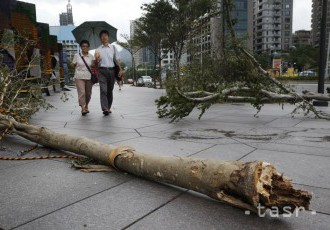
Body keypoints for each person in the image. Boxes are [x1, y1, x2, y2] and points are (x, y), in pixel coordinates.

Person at [95, 30, 122, 116]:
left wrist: (120, 70)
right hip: (102, 70)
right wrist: (97, 60)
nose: (104, 37)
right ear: (100, 38)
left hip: (112, 71)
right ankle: (104, 108)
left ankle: (108, 107)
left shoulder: (113, 48)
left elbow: (117, 60)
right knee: (103, 90)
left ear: (108, 37)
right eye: (102, 36)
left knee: (110, 90)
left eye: (105, 35)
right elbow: (96, 63)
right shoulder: (98, 49)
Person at [72, 40, 95, 115]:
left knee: (88, 93)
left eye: (86, 46)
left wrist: (97, 61)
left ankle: (87, 106)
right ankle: (82, 108)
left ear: (88, 47)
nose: (85, 47)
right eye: (83, 46)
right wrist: (72, 64)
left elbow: (94, 66)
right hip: (79, 76)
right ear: (81, 47)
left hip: (89, 77)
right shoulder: (77, 55)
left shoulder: (91, 56)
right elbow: (73, 64)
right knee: (82, 92)